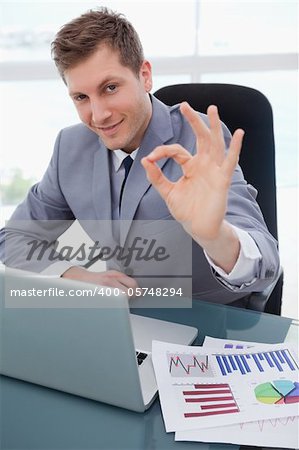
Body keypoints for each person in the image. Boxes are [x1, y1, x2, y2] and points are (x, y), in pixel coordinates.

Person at [0, 7, 280, 306]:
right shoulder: (70, 146)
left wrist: (215, 235)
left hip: (208, 322)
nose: (98, 115)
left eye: (110, 88)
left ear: (144, 76)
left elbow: (266, 264)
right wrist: (75, 275)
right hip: (125, 322)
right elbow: (13, 239)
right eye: (81, 97)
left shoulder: (200, 140)